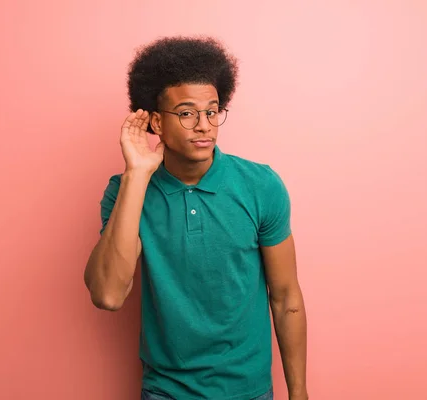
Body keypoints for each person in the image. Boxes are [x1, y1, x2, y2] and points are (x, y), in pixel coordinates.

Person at [84, 36, 308, 400]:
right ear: (156, 121)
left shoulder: (261, 185)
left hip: (249, 392)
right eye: (186, 113)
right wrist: (137, 175)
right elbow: (108, 294)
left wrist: (299, 392)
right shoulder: (125, 191)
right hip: (166, 391)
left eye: (212, 110)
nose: (204, 125)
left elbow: (286, 298)